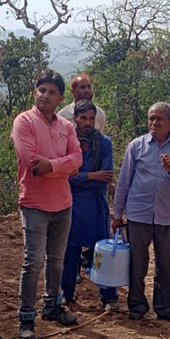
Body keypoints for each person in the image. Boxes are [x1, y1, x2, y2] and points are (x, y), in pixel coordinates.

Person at [11, 70, 83, 339]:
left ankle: (52, 305)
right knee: (33, 262)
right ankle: (26, 318)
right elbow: (32, 163)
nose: (46, 96)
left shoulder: (66, 126)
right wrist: (63, 167)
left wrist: (51, 165)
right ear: (35, 93)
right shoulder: (24, 122)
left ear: (61, 98)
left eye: (52, 92)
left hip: (63, 203)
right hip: (34, 204)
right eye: (42, 90)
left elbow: (77, 158)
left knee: (56, 260)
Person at [113, 102, 170, 322]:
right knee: (137, 264)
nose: (154, 122)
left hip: (166, 217)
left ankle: (164, 307)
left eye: (159, 119)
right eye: (151, 118)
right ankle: (137, 305)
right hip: (138, 214)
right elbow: (123, 182)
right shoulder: (136, 146)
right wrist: (117, 214)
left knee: (166, 265)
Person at [60, 100, 118, 311]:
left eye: (91, 119)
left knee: (102, 251)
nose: (87, 123)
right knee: (70, 252)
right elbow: (65, 176)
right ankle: (66, 294)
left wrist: (80, 176)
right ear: (75, 118)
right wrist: (92, 175)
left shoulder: (104, 143)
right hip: (72, 204)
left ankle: (109, 297)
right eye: (83, 118)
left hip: (96, 204)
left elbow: (107, 174)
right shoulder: (67, 142)